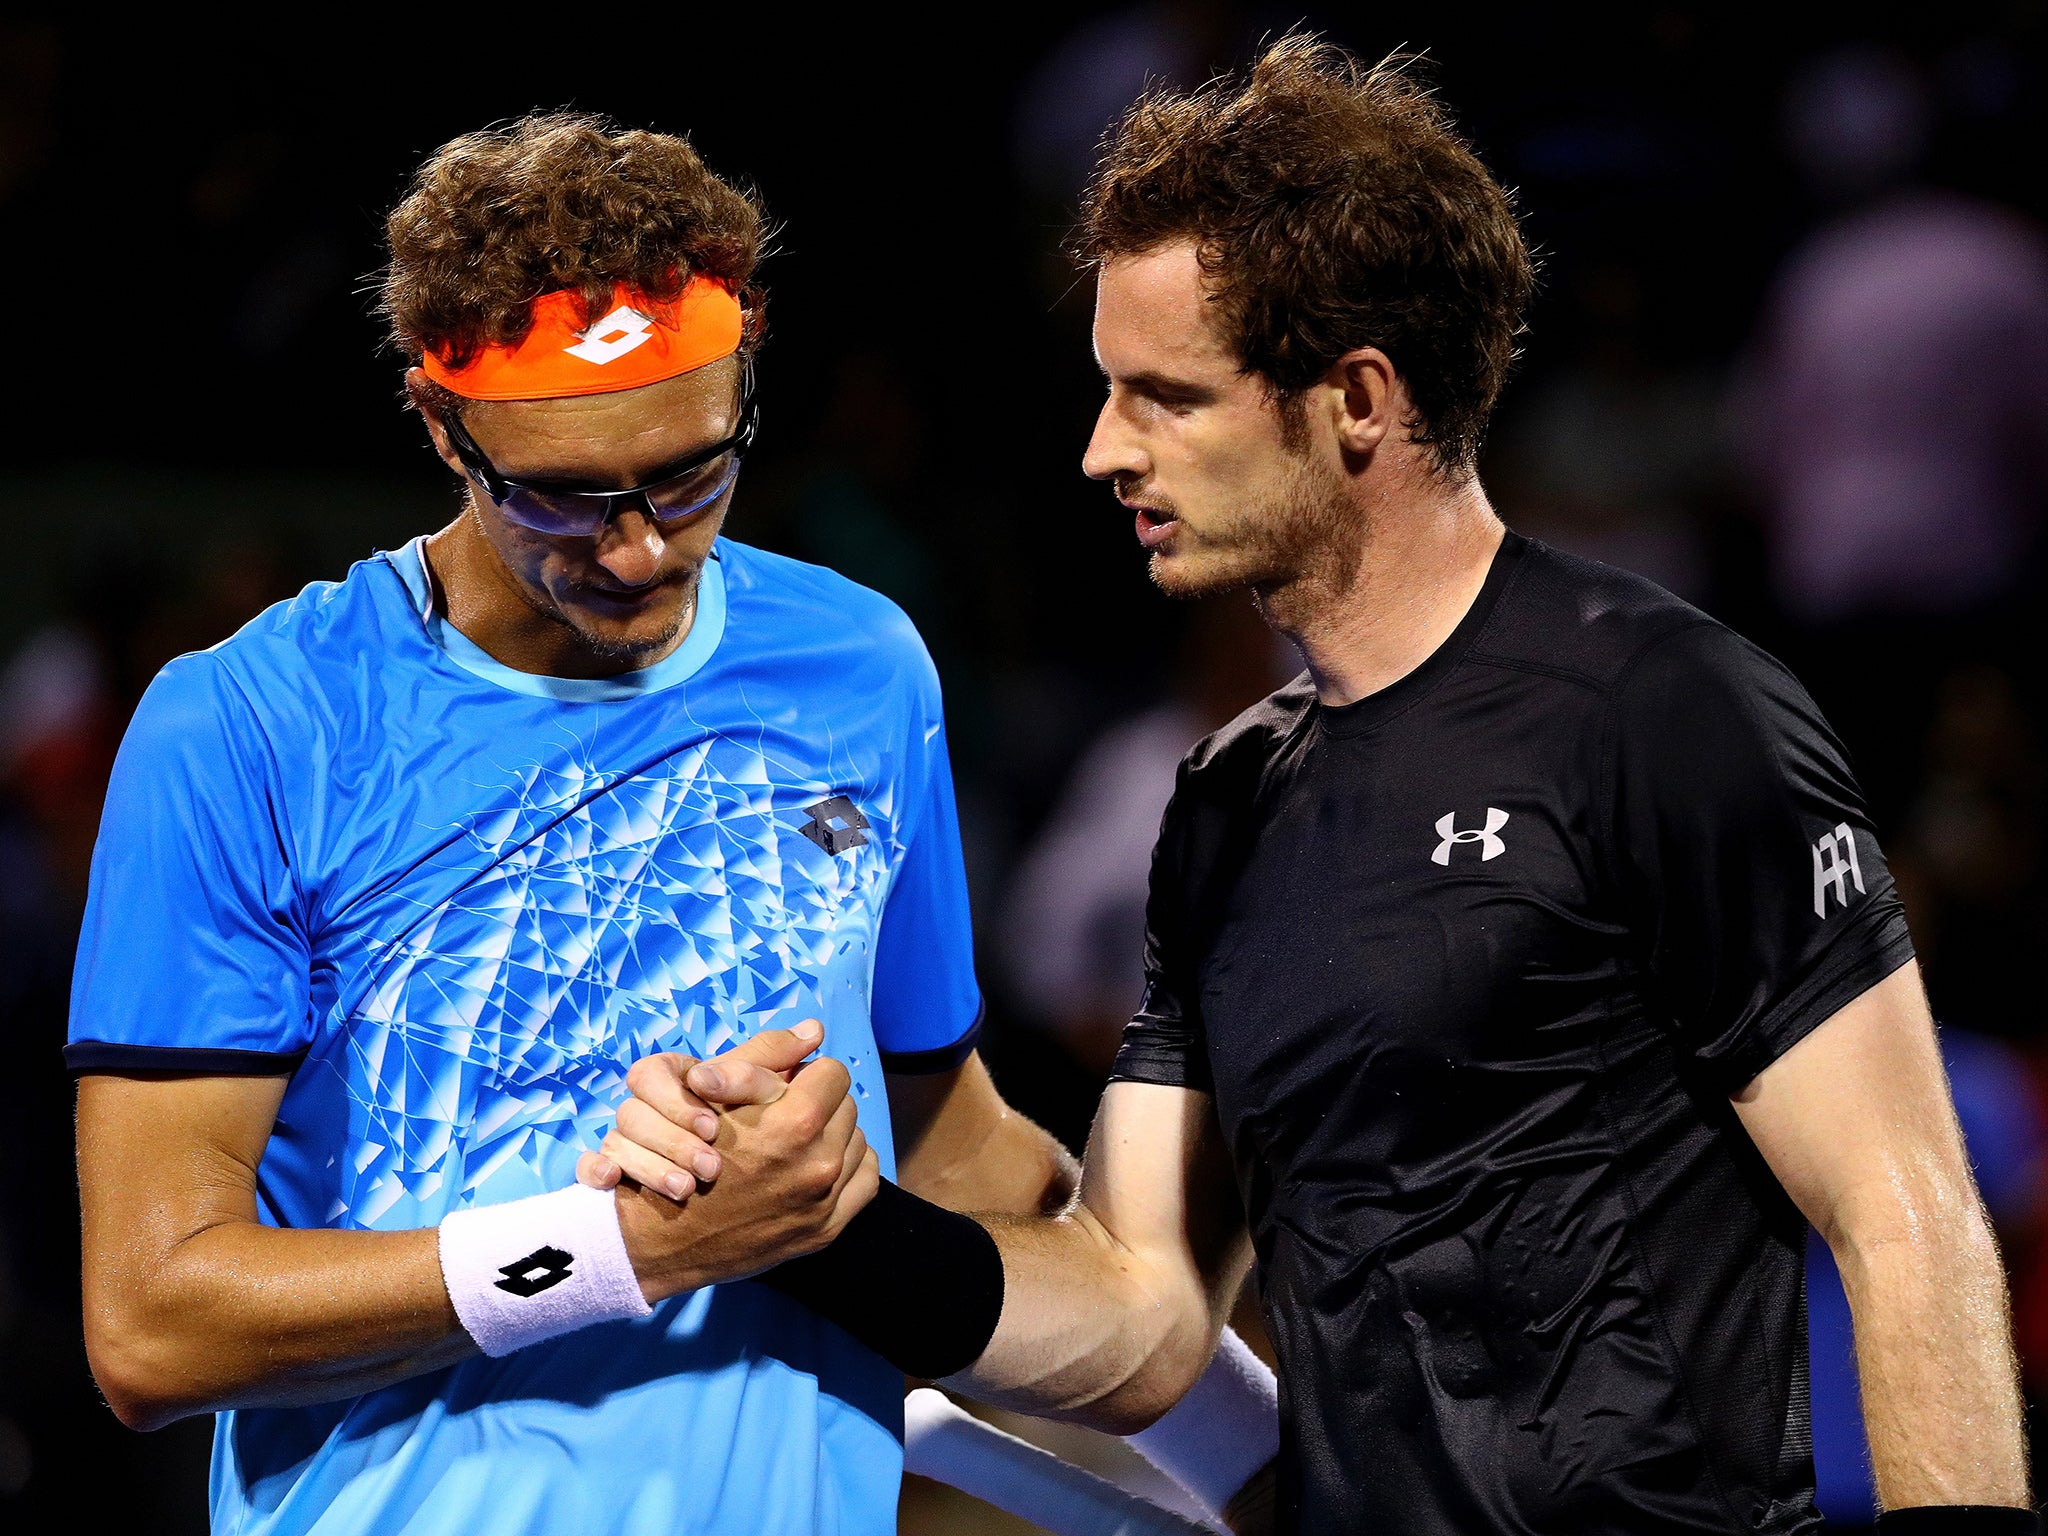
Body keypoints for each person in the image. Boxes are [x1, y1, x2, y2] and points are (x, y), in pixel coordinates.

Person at [606, 41, 2035, 1535]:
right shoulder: (1222, 804)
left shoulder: (1668, 713)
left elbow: (1904, 1208)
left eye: (1166, 397)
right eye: (1108, 393)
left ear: (1354, 399)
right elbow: (1144, 1309)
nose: (1104, 452)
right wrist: (825, 1225)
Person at [66, 113, 1271, 1536]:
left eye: (692, 470)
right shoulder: (248, 727)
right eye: (566, 498)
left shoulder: (861, 667)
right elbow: (152, 1327)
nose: (640, 548)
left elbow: (947, 1144)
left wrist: (1262, 1441)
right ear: (438, 422)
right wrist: (621, 1248)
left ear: (749, 358)